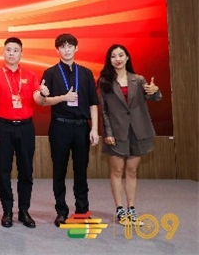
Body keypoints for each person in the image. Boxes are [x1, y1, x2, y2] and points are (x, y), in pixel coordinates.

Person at [39, 33, 100, 227]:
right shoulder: (50, 73)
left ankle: (82, 211)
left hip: (82, 127)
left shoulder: (86, 73)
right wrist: (64, 98)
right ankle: (61, 211)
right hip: (60, 126)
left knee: (81, 170)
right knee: (59, 170)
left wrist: (94, 129)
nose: (66, 50)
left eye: (70, 46)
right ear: (57, 50)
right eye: (62, 46)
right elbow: (43, 101)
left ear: (76, 48)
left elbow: (93, 103)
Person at [0, 37, 47, 229]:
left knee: (26, 170)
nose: (11, 53)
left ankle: (24, 210)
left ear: (21, 53)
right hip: (3, 127)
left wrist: (43, 94)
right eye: (8, 50)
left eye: (15, 50)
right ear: (3, 52)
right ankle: (7, 211)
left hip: (26, 127)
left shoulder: (30, 75)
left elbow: (38, 99)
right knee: (3, 171)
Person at [97, 44, 161, 225]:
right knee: (117, 171)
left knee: (132, 171)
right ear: (109, 60)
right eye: (113, 56)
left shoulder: (138, 79)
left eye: (121, 55)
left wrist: (155, 91)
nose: (117, 59)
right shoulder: (104, 82)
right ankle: (120, 209)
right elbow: (104, 111)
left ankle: (131, 209)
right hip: (116, 132)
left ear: (127, 58)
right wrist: (108, 132)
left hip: (138, 131)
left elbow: (155, 97)